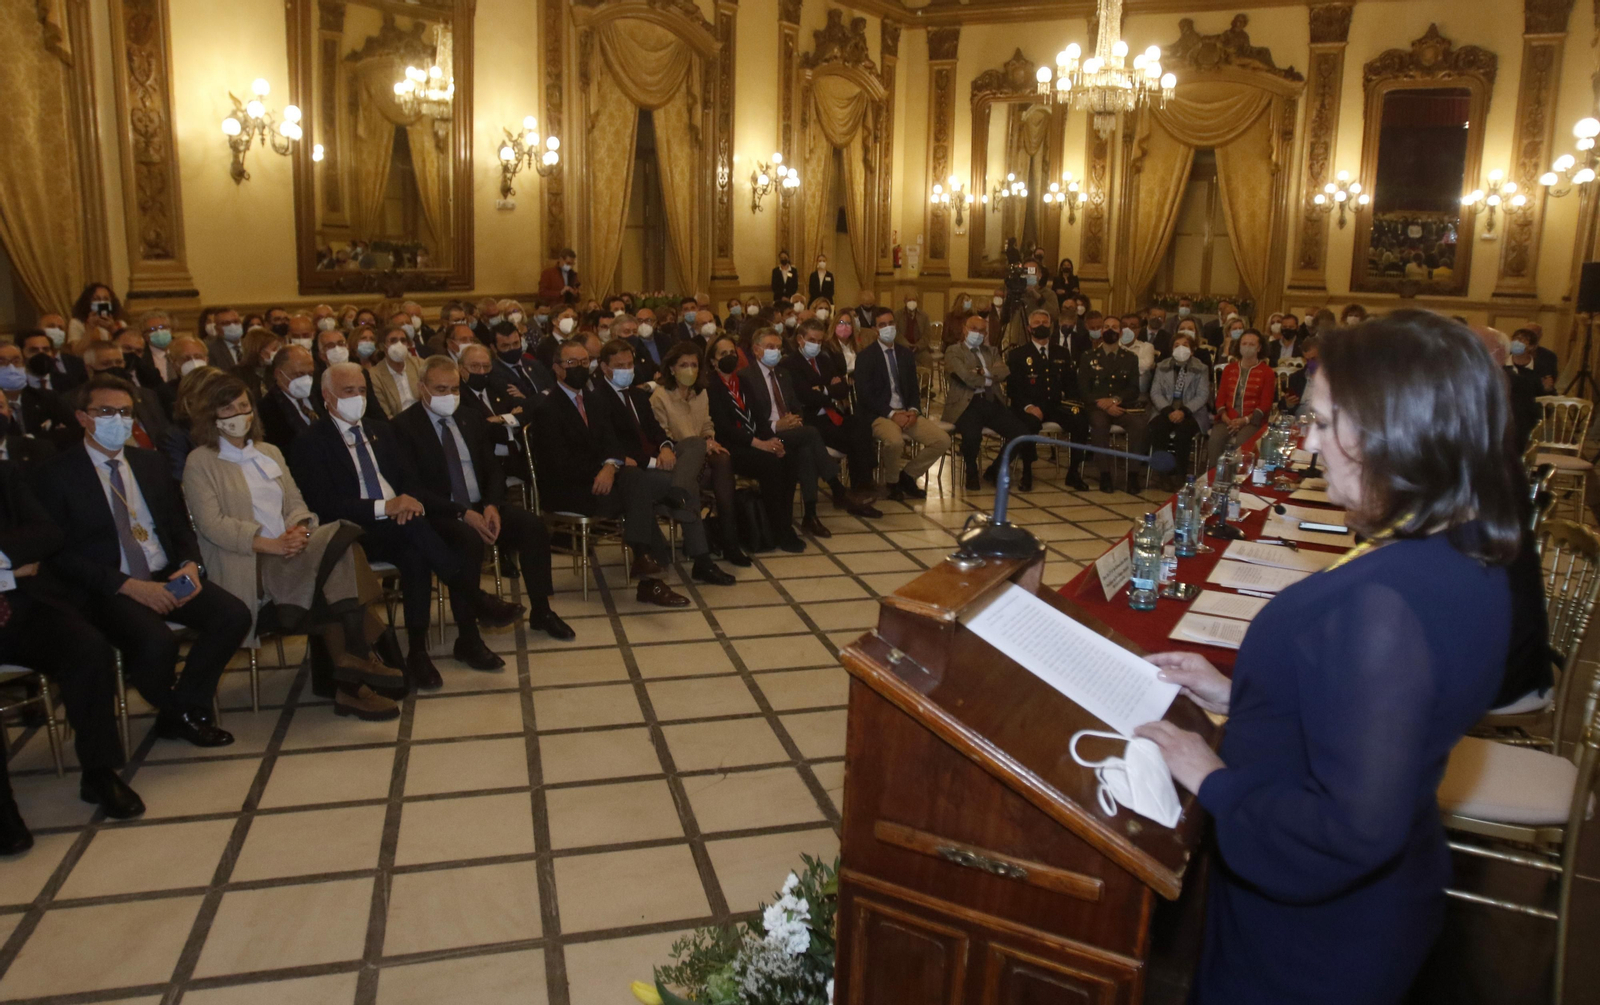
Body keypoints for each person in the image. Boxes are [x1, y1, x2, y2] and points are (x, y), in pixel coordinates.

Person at [1134, 310, 1521, 1005]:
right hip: (1387, 894)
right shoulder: (1464, 548)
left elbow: (1348, 829)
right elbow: (1384, 717)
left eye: (1317, 421)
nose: (1307, 444)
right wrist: (1240, 694)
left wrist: (1211, 776)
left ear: (1385, 429)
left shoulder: (1383, 606)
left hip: (1313, 939)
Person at [37, 374, 253, 747]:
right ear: (82, 418)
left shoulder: (149, 464)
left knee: (232, 614)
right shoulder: (56, 475)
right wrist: (131, 587)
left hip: (165, 571)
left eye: (125, 412)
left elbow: (178, 527)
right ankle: (183, 713)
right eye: (106, 411)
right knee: (157, 644)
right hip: (108, 585)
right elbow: (58, 555)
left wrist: (190, 565)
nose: (117, 419)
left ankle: (180, 709)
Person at [183, 376, 404, 721]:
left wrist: (300, 530)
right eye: (227, 408)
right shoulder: (201, 461)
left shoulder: (269, 452)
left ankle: (352, 677)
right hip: (250, 560)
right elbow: (214, 525)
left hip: (295, 550)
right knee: (337, 557)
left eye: (243, 406)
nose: (238, 414)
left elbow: (297, 503)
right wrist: (272, 544)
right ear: (210, 414)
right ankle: (360, 658)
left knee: (339, 541)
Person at [290, 363, 511, 689]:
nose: (358, 398)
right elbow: (324, 504)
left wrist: (412, 505)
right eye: (348, 391)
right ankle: (476, 599)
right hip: (355, 530)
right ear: (327, 396)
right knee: (416, 534)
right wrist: (386, 507)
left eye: (362, 390)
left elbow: (410, 482)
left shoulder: (381, 430)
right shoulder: (311, 441)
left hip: (403, 521)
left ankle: (431, 648)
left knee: (447, 544)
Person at [0, 460, 146, 851]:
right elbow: (26, 553)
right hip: (14, 583)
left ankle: (98, 772)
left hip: (22, 607)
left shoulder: (5, 474)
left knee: (88, 649)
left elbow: (47, 534)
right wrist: (12, 565)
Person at [534, 340, 736, 605]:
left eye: (584, 362)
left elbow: (610, 445)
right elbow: (559, 463)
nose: (580, 368)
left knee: (654, 474)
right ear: (558, 369)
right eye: (572, 363)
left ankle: (649, 563)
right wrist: (605, 468)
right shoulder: (548, 408)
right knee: (639, 488)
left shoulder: (592, 401)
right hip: (573, 488)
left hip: (614, 476)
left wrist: (610, 465)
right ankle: (657, 564)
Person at [392, 357, 575, 640]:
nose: (449, 396)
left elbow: (492, 469)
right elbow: (411, 487)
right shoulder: (404, 426)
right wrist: (461, 513)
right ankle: (469, 634)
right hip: (439, 512)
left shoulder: (470, 418)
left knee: (532, 526)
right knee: (467, 540)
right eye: (440, 389)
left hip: (480, 504)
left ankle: (542, 610)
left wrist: (491, 504)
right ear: (421, 388)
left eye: (454, 389)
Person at [740, 329, 863, 534]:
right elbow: (749, 416)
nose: (776, 352)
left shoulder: (783, 373)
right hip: (764, 434)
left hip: (790, 431)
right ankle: (837, 489)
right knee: (812, 434)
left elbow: (797, 406)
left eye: (779, 348)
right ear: (757, 350)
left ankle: (810, 515)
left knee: (806, 448)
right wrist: (776, 426)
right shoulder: (746, 377)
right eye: (771, 347)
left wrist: (795, 420)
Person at [647, 342, 750, 566]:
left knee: (723, 459)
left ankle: (728, 540)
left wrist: (709, 440)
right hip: (678, 458)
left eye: (694, 364)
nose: (690, 369)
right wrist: (698, 444)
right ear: (672, 368)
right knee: (722, 469)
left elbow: (706, 424)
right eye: (684, 364)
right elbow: (661, 435)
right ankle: (728, 542)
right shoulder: (660, 397)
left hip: (704, 453)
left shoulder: (701, 393)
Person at [701, 336, 806, 553]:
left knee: (789, 457)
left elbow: (758, 416)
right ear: (712, 361)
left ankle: (784, 523)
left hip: (755, 440)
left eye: (732, 353)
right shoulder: (710, 387)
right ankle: (778, 530)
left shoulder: (742, 382)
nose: (729, 357)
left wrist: (773, 441)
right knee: (769, 464)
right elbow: (723, 428)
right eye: (723, 354)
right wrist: (759, 444)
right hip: (732, 447)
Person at [782, 319, 883, 509]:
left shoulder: (823, 359)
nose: (816, 345)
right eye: (812, 340)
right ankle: (854, 490)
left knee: (860, 426)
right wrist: (829, 388)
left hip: (832, 413)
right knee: (852, 438)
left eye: (820, 341)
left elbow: (844, 389)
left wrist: (823, 389)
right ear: (800, 339)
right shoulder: (790, 364)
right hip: (810, 419)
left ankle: (863, 484)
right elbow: (804, 395)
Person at [855, 309, 951, 501]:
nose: (888, 328)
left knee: (942, 440)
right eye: (882, 325)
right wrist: (892, 414)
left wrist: (914, 411)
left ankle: (907, 476)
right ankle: (892, 483)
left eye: (891, 323)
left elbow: (914, 389)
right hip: (880, 414)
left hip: (907, 412)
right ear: (875, 329)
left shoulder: (905, 354)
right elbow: (866, 396)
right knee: (895, 441)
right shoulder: (866, 356)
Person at [943, 314, 1032, 491]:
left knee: (1021, 432)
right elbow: (966, 377)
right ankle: (971, 471)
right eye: (973, 329)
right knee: (972, 435)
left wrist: (982, 371)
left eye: (982, 330)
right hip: (966, 404)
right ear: (965, 329)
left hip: (992, 401)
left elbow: (1004, 371)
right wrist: (990, 378)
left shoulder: (991, 351)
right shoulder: (954, 351)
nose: (977, 333)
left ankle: (996, 468)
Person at [1005, 310, 1090, 491]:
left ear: (1051, 327)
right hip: (1029, 406)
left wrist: (1075, 404)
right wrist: (1028, 406)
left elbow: (1070, 385)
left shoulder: (1062, 352)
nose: (1042, 326)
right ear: (1029, 328)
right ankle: (1026, 472)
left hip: (1055, 405)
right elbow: (1013, 389)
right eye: (1037, 323)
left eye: (1045, 322)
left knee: (1080, 420)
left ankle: (1073, 472)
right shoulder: (1018, 354)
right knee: (1028, 424)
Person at [1078, 321, 1151, 494]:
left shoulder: (1130, 358)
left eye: (1114, 328)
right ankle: (1105, 474)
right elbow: (1082, 388)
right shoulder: (1088, 356)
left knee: (1139, 426)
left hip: (1121, 406)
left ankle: (1133, 475)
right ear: (1101, 331)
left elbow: (1133, 389)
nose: (1110, 330)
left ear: (1121, 333)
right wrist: (1101, 402)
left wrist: (1115, 400)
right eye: (1106, 327)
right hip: (1097, 407)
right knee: (1099, 425)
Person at [1147, 331, 1212, 486]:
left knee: (1183, 432)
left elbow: (1202, 394)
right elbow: (1155, 392)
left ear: (1192, 349)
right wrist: (1168, 411)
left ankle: (1181, 473)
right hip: (1166, 409)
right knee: (1159, 428)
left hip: (1192, 411)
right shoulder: (1162, 366)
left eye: (1185, 345)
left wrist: (1184, 411)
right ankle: (1162, 473)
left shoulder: (1200, 368)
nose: (1180, 348)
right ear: (1171, 349)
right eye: (1177, 345)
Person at [1206, 329, 1276, 467]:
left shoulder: (1267, 372)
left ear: (1259, 348)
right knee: (1215, 439)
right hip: (1228, 418)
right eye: (1244, 343)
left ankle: (1239, 478)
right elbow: (1220, 399)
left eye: (1251, 344)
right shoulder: (1229, 369)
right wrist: (1226, 418)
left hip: (1252, 420)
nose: (1247, 347)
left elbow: (1265, 404)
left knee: (1243, 441)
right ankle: (1214, 478)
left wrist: (1244, 420)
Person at [1, 339, 75, 446]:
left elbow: (75, 430)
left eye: (16, 361)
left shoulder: (47, 398)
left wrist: (34, 439)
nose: (11, 368)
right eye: (1, 362)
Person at [259, 345, 324, 452]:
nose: (306, 380)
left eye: (310, 374)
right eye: (299, 374)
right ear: (278, 374)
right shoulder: (265, 409)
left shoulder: (320, 395)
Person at [370, 324, 425, 419]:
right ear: (382, 346)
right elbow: (385, 413)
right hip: (396, 424)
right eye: (393, 341)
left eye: (403, 340)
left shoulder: (420, 364)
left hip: (423, 419)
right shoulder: (374, 375)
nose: (399, 344)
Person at [1506, 330, 1545, 450]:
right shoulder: (1502, 364)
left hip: (1529, 413)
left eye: (1523, 340)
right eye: (1515, 339)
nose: (1517, 342)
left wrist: (1546, 388)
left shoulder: (1540, 367)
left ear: (1532, 346)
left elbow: (1545, 395)